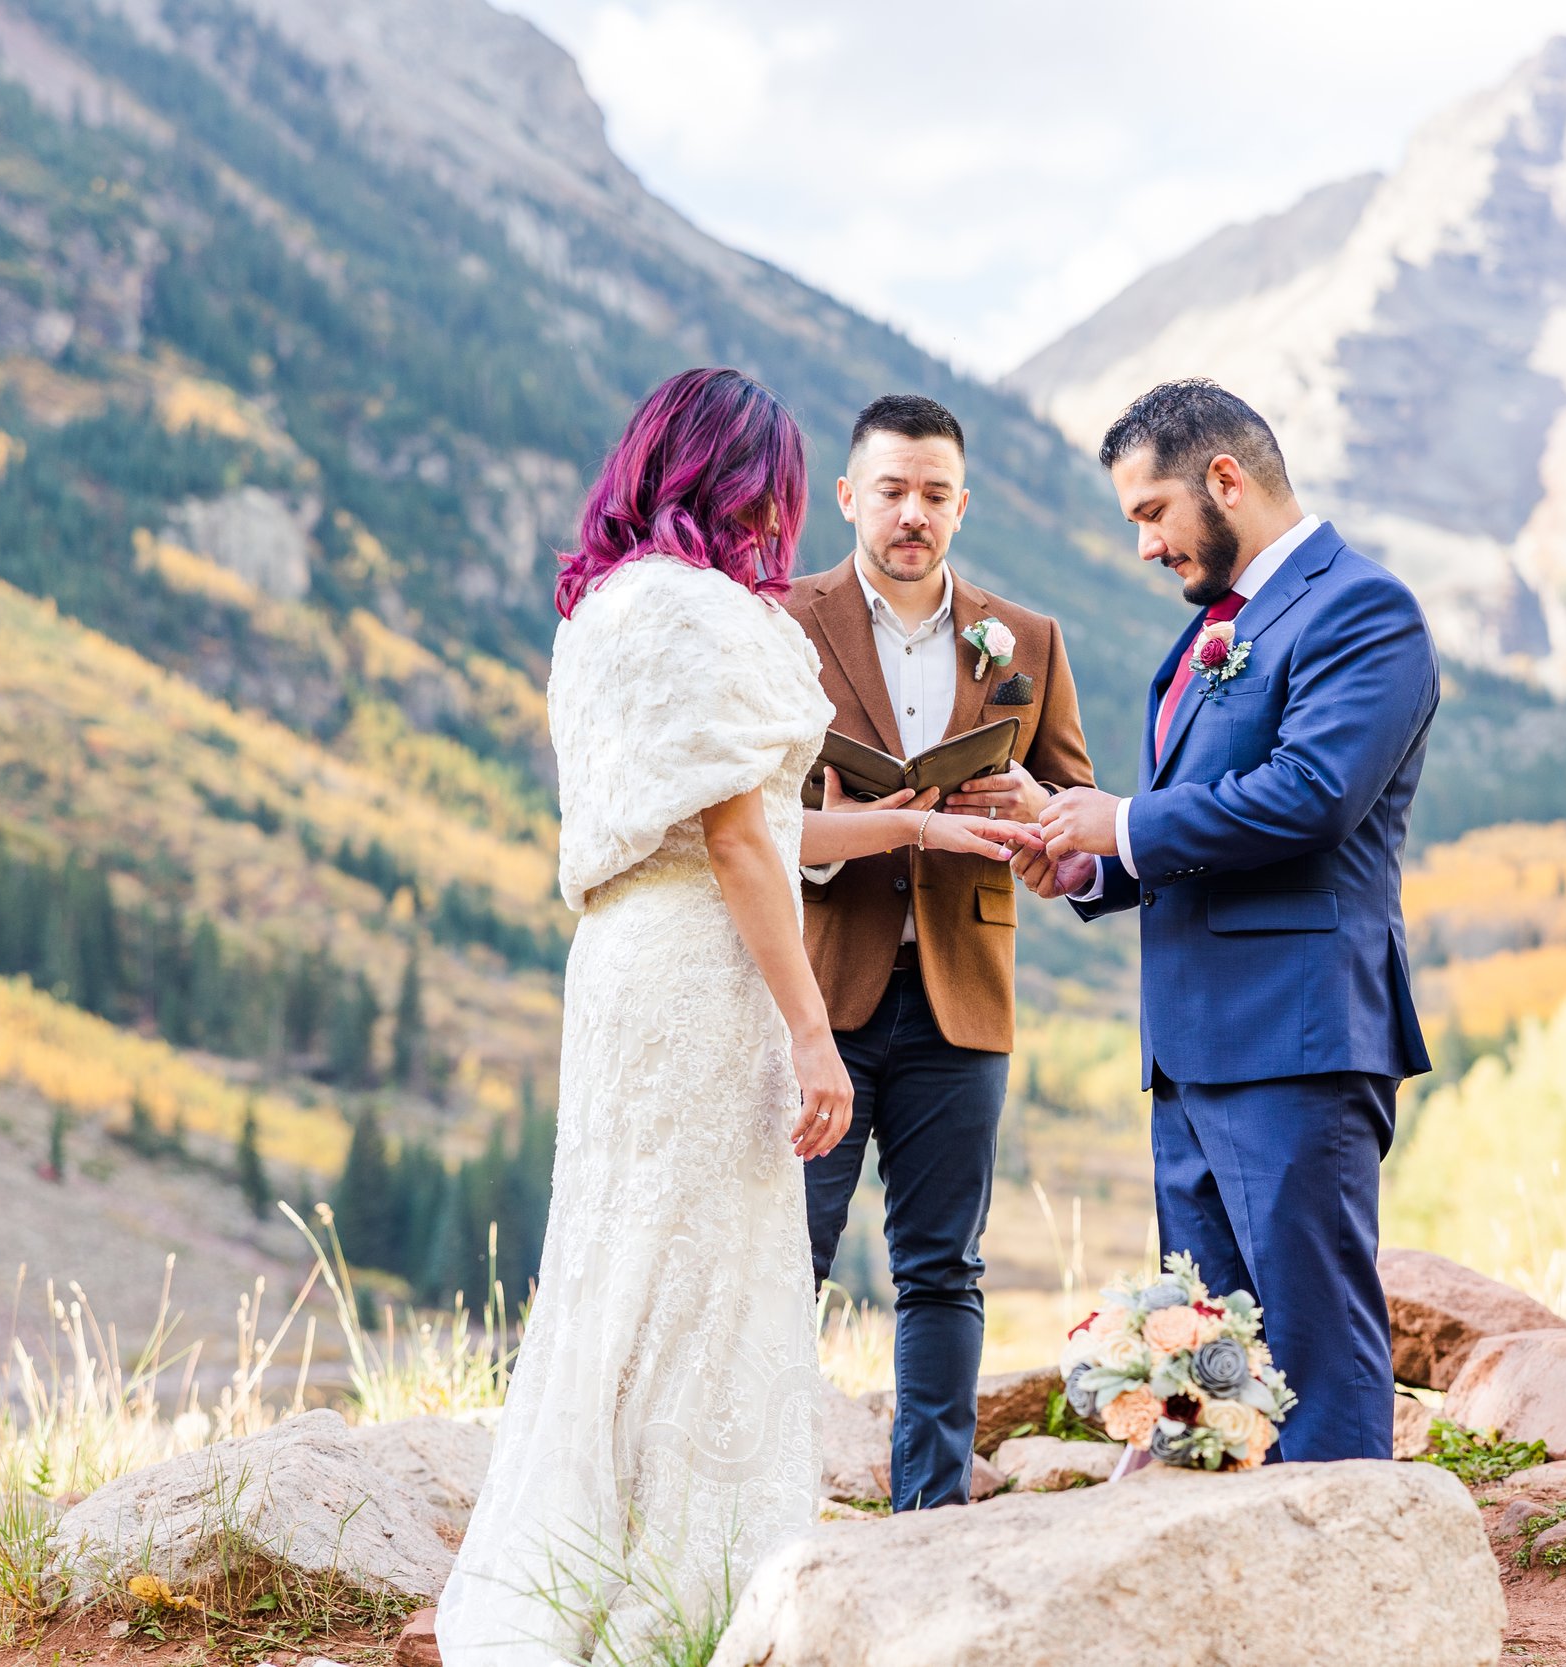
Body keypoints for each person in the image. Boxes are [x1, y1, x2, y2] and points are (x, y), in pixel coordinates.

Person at [438, 369, 1022, 1664]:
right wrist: (813, 1032)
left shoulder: (603, 608)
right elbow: (745, 847)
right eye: (779, 488)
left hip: (625, 960)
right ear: (741, 479)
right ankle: (684, 1587)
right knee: (709, 1264)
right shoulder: (706, 613)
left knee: (624, 1248)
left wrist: (918, 820)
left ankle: (586, 1571)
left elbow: (754, 821)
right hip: (708, 969)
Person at [1014, 378, 1439, 1464]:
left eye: (1151, 513)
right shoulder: (1211, 633)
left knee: (1309, 1342)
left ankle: (1357, 1596)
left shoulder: (1361, 607)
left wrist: (1124, 823)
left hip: (1294, 1042)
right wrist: (1088, 864)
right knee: (1211, 1359)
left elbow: (1311, 796)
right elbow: (1192, 827)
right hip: (1193, 1050)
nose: (1146, 545)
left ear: (1225, 479)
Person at [785, 393, 1094, 1511]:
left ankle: (929, 1517)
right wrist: (827, 831)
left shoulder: (1029, 638)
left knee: (942, 1268)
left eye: (932, 494)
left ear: (961, 504)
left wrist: (1038, 809)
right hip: (819, 993)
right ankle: (766, 1504)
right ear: (847, 497)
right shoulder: (785, 621)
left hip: (963, 997)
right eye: (890, 490)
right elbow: (736, 829)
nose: (911, 512)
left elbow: (1076, 808)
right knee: (787, 1261)